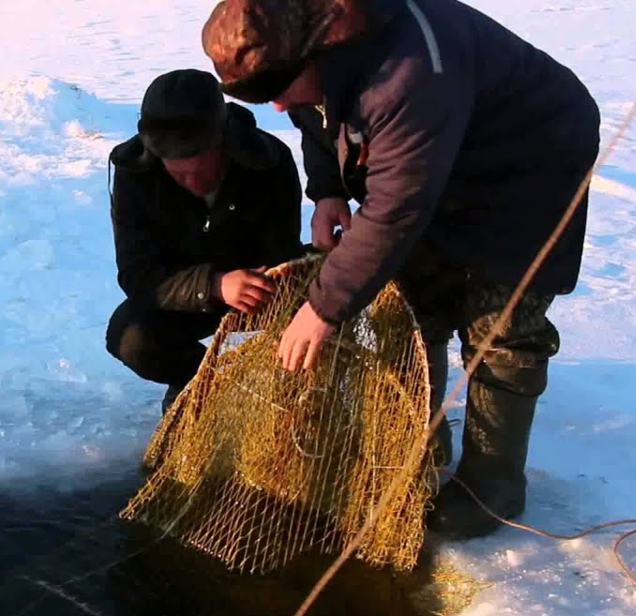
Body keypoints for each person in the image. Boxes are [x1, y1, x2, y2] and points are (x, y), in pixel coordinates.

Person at [201, 0, 602, 539]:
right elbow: (315, 117)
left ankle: (492, 485)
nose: (273, 106)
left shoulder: (408, 75)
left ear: (313, 55)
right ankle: (418, 442)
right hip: (437, 153)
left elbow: (396, 209)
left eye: (277, 89)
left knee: (500, 323)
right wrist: (327, 191)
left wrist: (323, 307)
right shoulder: (303, 41)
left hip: (529, 162)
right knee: (419, 301)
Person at [106, 69, 304, 413]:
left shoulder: (270, 161)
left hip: (263, 290)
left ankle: (296, 397)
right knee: (131, 337)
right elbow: (137, 274)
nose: (193, 182)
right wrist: (213, 285)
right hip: (186, 298)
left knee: (318, 302)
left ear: (224, 142)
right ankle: (196, 381)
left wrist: (261, 281)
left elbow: (283, 251)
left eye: (203, 169)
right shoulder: (134, 172)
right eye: (179, 173)